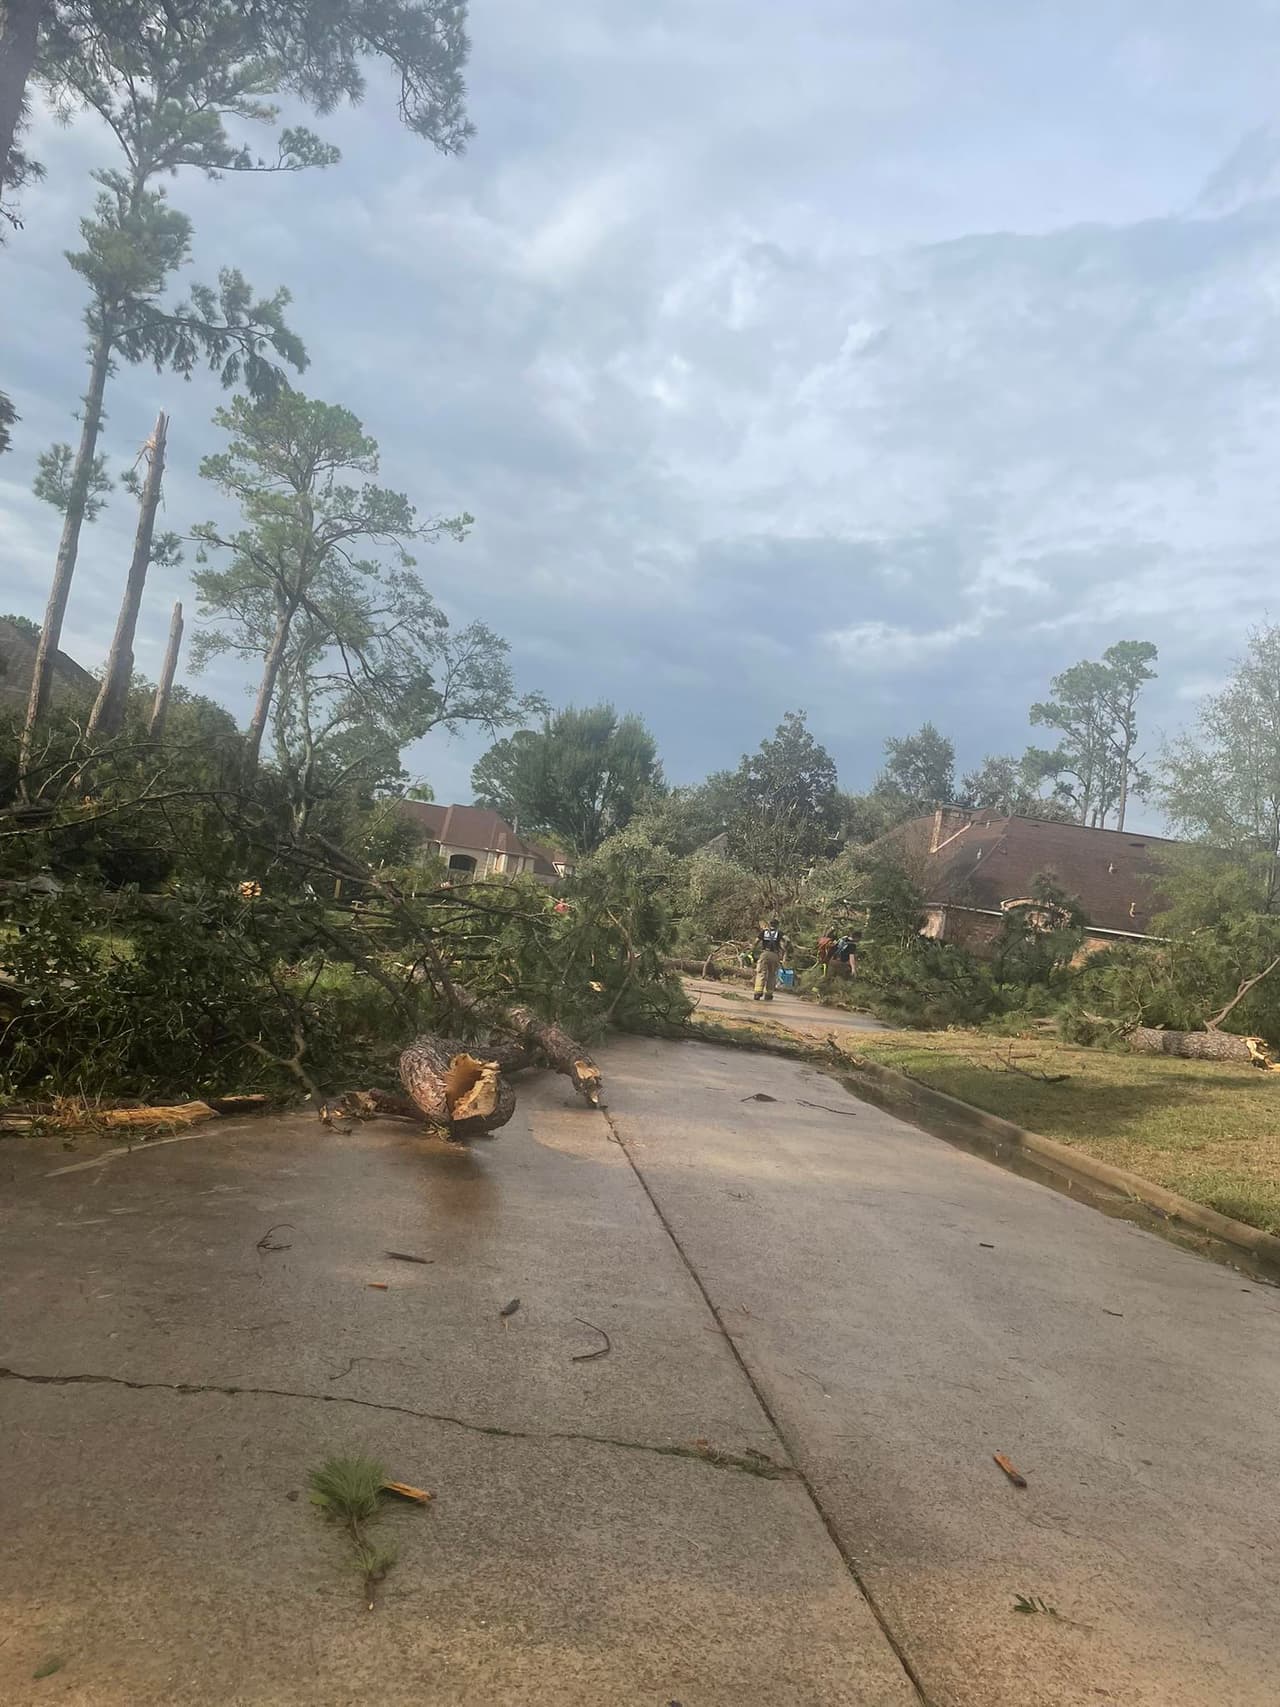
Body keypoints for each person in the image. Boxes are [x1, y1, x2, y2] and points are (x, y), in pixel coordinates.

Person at [753, 918, 787, 1001]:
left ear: (769, 924)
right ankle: (768, 994)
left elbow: (756, 941)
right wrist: (784, 949)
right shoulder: (779, 933)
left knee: (761, 973)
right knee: (772, 974)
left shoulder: (764, 932)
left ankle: (758, 993)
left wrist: (753, 950)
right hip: (775, 955)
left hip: (765, 953)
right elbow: (787, 939)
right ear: (777, 925)